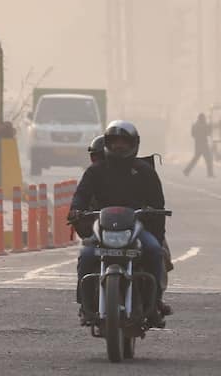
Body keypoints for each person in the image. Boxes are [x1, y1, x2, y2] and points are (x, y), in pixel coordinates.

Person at [68, 121, 171, 327]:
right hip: (103, 229)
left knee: (154, 250)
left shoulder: (145, 171)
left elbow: (158, 205)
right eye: (114, 141)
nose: (119, 146)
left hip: (136, 229)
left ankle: (154, 303)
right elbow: (81, 196)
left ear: (134, 144)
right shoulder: (95, 171)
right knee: (86, 255)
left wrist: (154, 224)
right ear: (107, 143)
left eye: (124, 142)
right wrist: (76, 210)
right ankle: (85, 305)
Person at [183, 112, 214, 177]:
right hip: (204, 144)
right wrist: (210, 126)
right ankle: (210, 174)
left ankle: (187, 170)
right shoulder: (204, 125)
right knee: (208, 159)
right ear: (203, 118)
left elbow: (193, 134)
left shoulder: (195, 125)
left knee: (195, 159)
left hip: (197, 143)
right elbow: (208, 133)